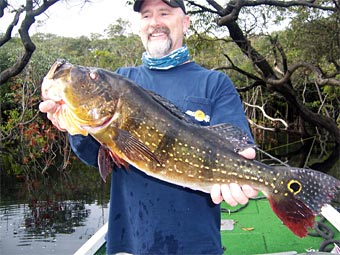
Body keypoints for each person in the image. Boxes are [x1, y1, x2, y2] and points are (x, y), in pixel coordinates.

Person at [39, 0, 258, 254]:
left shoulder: (215, 83)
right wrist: (73, 126)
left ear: (185, 22)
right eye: (146, 16)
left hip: (198, 245)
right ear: (140, 26)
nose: (155, 23)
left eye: (164, 13)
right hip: (130, 242)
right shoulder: (123, 78)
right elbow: (95, 158)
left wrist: (246, 172)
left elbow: (237, 146)